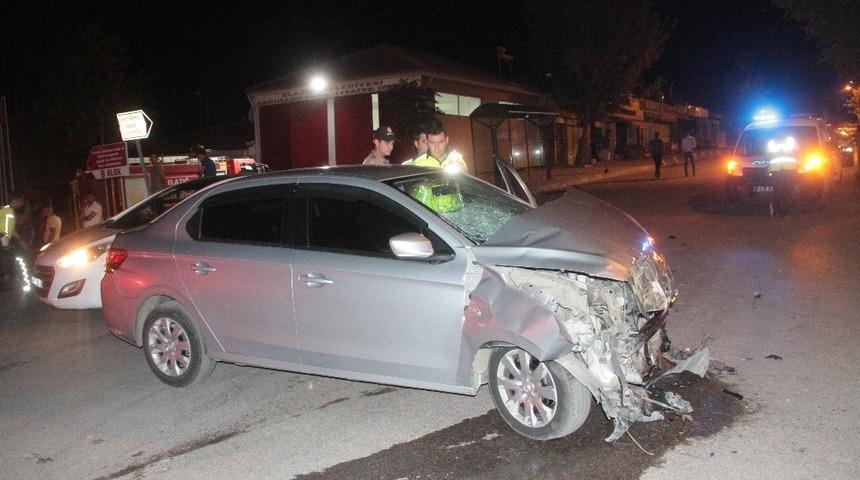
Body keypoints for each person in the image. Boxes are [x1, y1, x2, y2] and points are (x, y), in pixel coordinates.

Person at [0, 192, 24, 283]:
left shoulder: (9, 211)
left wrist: (21, 241)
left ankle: (9, 277)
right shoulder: (5, 210)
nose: (21, 204)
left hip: (4, 241)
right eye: (20, 201)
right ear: (15, 200)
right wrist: (3, 239)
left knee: (9, 257)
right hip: (2, 240)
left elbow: (11, 229)